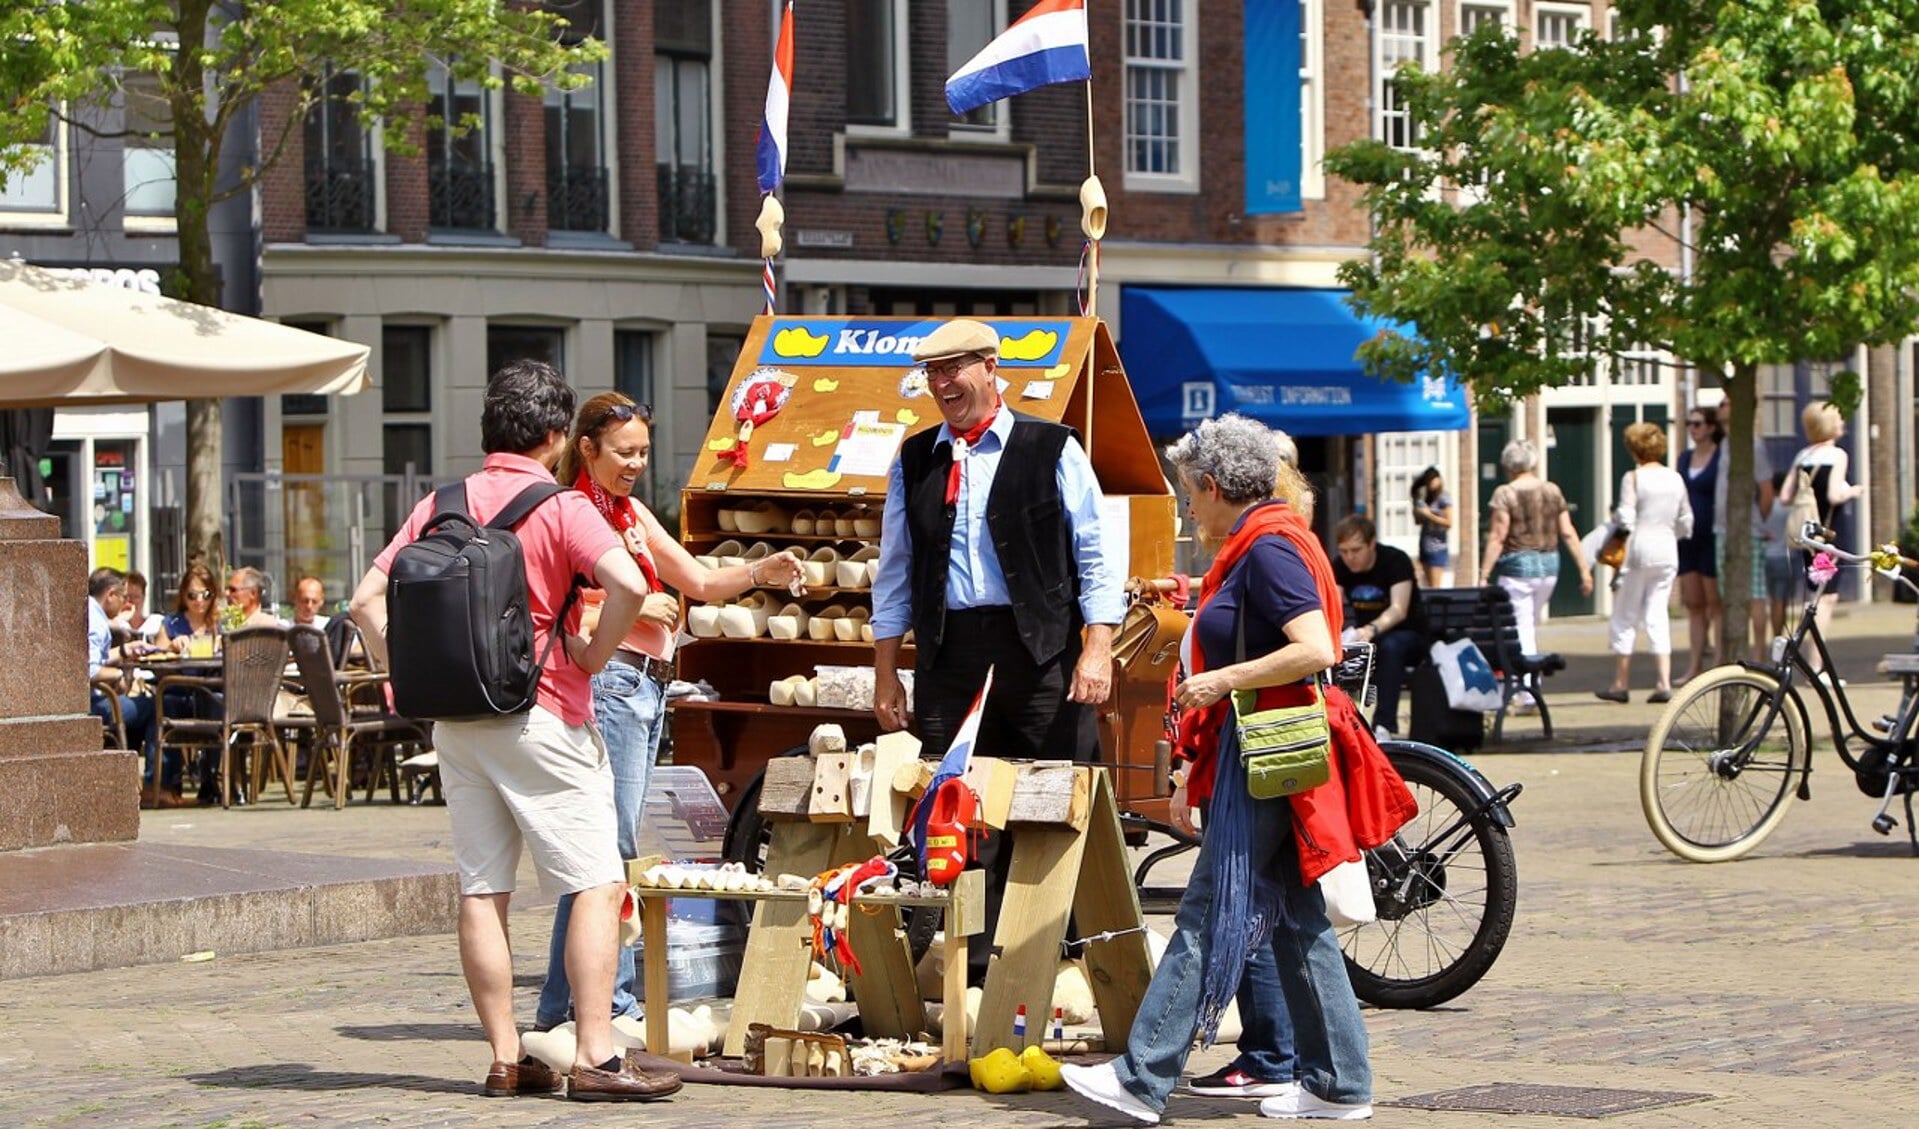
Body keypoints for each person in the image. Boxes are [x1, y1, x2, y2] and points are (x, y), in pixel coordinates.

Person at [349, 360, 679, 1103]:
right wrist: (593, 654)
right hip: (541, 711)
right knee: (597, 881)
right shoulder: (560, 505)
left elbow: (366, 600)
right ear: (559, 435)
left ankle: (505, 1057)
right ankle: (595, 1051)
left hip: (457, 720)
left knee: (482, 889)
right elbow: (628, 582)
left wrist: (400, 676)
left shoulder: (441, 502)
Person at [1060, 414, 1379, 1123]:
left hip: (1260, 744)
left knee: (1211, 907)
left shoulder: (1267, 547)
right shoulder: (1261, 540)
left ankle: (1142, 1076)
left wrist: (1219, 679)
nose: (1186, 507)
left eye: (1187, 494)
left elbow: (1316, 646)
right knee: (1295, 918)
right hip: (1265, 745)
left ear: (1211, 486)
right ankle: (1338, 1083)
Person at [534, 392, 804, 1037]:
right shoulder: (573, 509)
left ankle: (563, 1002)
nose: (635, 464)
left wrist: (760, 568)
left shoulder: (627, 512)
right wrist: (622, 611)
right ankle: (607, 1000)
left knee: (604, 850)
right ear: (589, 449)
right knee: (611, 850)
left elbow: (699, 582)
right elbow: (549, 607)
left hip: (649, 687)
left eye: (644, 453)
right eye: (624, 453)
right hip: (614, 683)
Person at [869, 318, 1122, 986]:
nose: (942, 383)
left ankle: (1054, 950)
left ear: (989, 366)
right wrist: (886, 670)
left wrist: (1096, 648)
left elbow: (1096, 552)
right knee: (957, 802)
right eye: (932, 372)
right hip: (950, 651)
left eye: (954, 368)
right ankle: (970, 961)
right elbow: (894, 570)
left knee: (1048, 797)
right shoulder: (917, 457)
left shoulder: (1051, 446)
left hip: (1038, 647)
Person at [1596, 423, 1693, 704]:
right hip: (1667, 550)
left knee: (1625, 614)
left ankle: (1620, 683)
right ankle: (1663, 682)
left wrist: (1615, 526)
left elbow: (1626, 517)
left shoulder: (1633, 478)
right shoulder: (1675, 478)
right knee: (1657, 614)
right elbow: (1687, 520)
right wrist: (1670, 534)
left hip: (1638, 550)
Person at [1477, 440, 1594, 664]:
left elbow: (1498, 536)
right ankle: (1527, 683)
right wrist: (1584, 570)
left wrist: (1484, 574)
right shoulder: (1552, 490)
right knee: (1529, 623)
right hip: (1549, 567)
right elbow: (1568, 532)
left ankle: (1527, 686)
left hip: (1518, 569)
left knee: (1519, 626)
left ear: (1508, 466)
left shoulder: (1505, 493)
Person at [1777, 402, 1862, 677]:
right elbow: (1835, 495)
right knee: (1824, 601)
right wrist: (1854, 491)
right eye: (1838, 418)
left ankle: (1806, 659)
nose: (1842, 422)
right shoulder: (1837, 455)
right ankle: (1816, 666)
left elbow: (1785, 496)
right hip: (1829, 536)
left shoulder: (1803, 455)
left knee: (1814, 596)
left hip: (1807, 536)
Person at [1330, 514, 1424, 739]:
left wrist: (1369, 630)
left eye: (1356, 550)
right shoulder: (1340, 566)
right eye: (1344, 551)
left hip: (1409, 635)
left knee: (1391, 647)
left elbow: (1399, 609)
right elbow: (1332, 604)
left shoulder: (1395, 560)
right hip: (1371, 641)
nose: (1349, 558)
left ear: (1372, 544)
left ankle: (1384, 725)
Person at [87, 567, 165, 803]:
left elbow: (94, 658)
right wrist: (117, 676)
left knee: (140, 706)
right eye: (122, 596)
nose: (124, 603)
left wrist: (123, 651)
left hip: (91, 699)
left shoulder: (88, 611)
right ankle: (153, 785)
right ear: (110, 594)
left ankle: (123, 782)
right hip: (95, 703)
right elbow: (88, 669)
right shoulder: (97, 623)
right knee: (155, 708)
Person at [1674, 407, 1724, 684]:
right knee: (1693, 604)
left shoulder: (1720, 457)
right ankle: (1694, 666)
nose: (1693, 429)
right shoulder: (1684, 458)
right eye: (1689, 423)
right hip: (1687, 537)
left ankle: (1717, 664)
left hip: (1711, 535)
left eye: (1697, 424)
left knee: (1715, 603)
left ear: (1710, 427)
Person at [1761, 470, 1797, 640]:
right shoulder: (1788, 509)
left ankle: (1774, 636)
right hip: (1785, 558)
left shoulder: (1765, 507)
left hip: (1767, 556)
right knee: (1781, 601)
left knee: (1771, 599)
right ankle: (1779, 637)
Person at [1410, 467, 1452, 588]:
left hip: (1437, 547)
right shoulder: (1427, 499)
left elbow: (1449, 523)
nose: (1431, 484)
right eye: (1429, 481)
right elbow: (1418, 522)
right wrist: (1417, 511)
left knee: (1435, 587)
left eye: (1433, 480)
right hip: (1425, 545)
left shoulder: (1444, 498)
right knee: (1427, 585)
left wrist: (1429, 515)